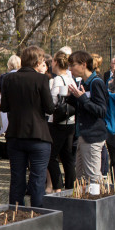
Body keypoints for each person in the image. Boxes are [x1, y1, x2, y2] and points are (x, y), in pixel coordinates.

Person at [1, 46, 54, 207]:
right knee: (38, 179)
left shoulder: (9, 79)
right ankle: (37, 215)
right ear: (38, 61)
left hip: (15, 134)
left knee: (17, 178)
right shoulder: (41, 79)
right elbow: (49, 108)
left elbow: (4, 106)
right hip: (38, 134)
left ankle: (16, 215)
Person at [67, 50, 108, 183]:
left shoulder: (96, 82)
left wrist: (83, 99)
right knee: (81, 177)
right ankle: (85, 201)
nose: (70, 68)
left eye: (72, 65)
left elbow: (101, 111)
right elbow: (83, 107)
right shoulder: (84, 83)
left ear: (83, 64)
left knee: (93, 177)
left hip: (92, 136)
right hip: (83, 135)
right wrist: (71, 98)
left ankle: (98, 201)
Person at [46, 52, 76, 192]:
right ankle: (71, 186)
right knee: (67, 156)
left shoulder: (57, 80)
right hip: (70, 121)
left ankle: (58, 186)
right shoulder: (71, 79)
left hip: (57, 123)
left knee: (51, 156)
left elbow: (52, 103)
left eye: (52, 61)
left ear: (56, 62)